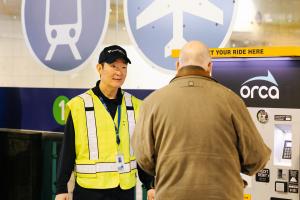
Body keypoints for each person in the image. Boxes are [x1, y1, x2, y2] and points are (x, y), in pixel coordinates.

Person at [132, 41, 271, 200]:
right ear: (210, 67)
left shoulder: (152, 103)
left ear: (177, 65)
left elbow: (143, 158)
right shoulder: (232, 101)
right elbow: (257, 157)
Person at [55, 45, 153, 200]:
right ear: (99, 68)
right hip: (90, 191)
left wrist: (150, 185)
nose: (119, 72)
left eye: (123, 67)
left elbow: (141, 151)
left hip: (124, 191)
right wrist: (61, 189)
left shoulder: (136, 106)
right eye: (113, 66)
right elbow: (67, 151)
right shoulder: (79, 105)